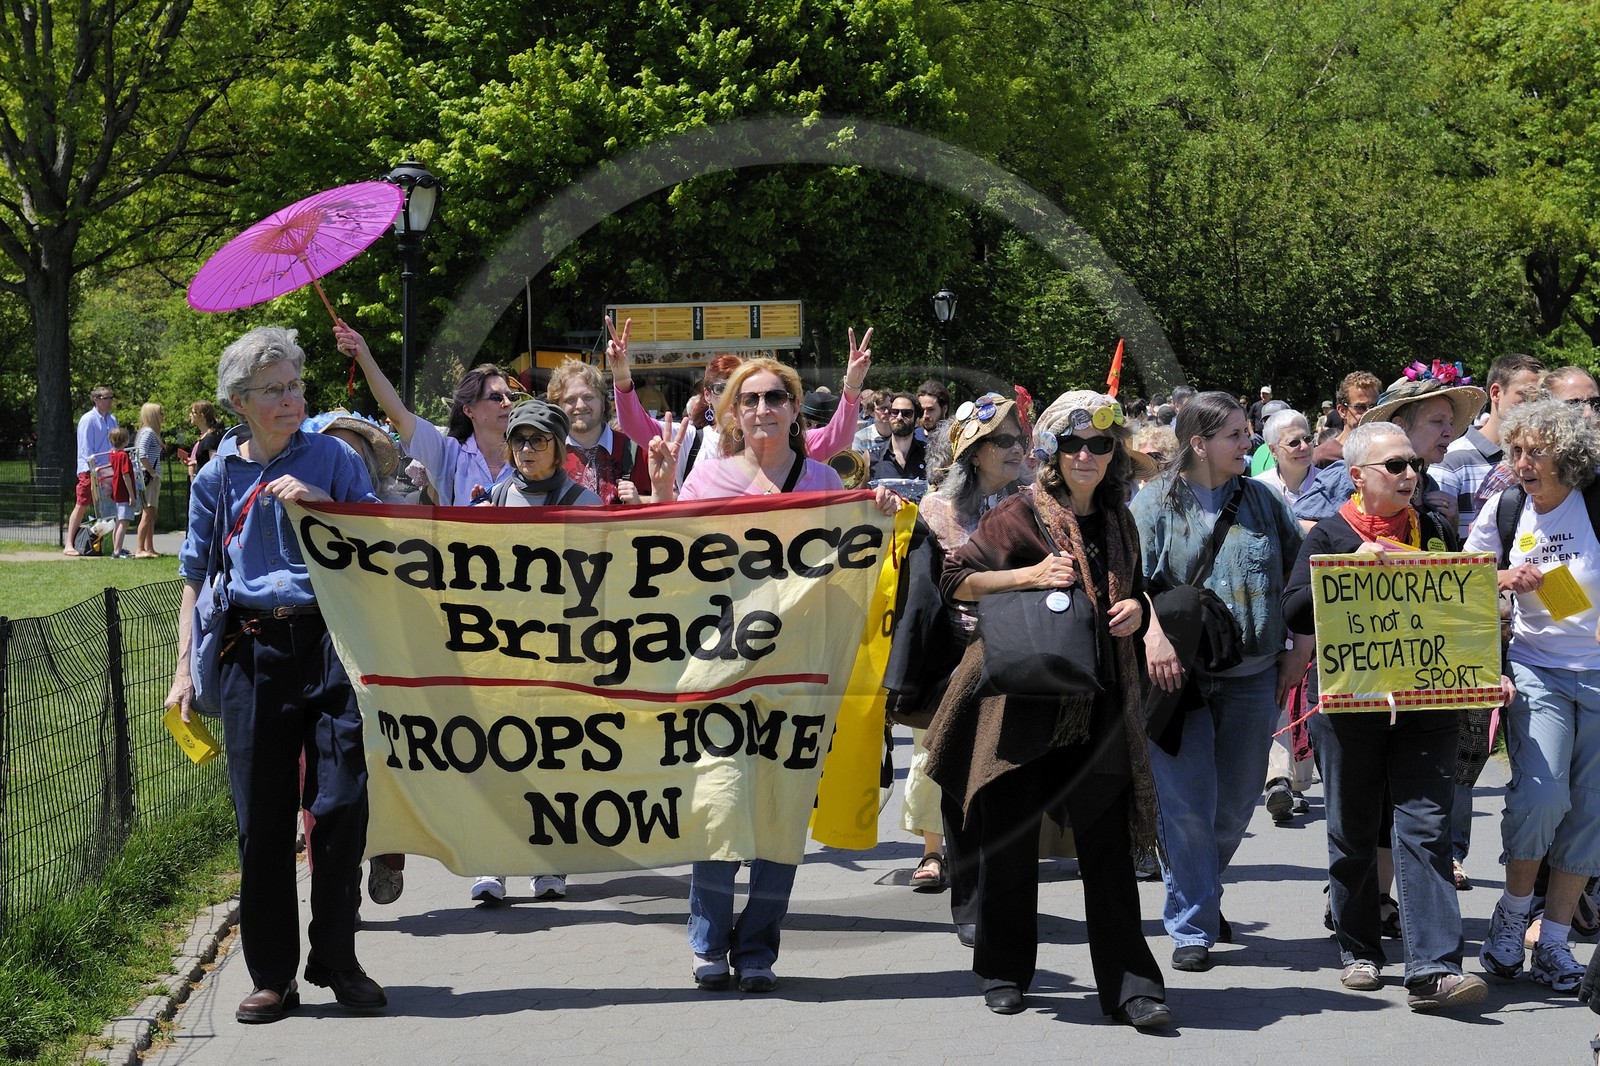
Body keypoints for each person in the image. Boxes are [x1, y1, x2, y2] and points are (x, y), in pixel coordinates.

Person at [646, 356, 898, 994]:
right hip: (721, 668)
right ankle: (707, 943)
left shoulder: (820, 479)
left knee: (781, 814)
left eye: (775, 399)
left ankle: (757, 947)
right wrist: (660, 493)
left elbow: (852, 556)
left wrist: (877, 507)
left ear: (793, 410)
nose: (763, 410)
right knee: (720, 807)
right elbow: (665, 555)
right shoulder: (707, 478)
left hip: (798, 674)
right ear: (733, 412)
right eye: (750, 400)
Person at [924, 389, 1168, 1025]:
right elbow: (955, 576)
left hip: (1103, 698)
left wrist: (1139, 611)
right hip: (1023, 700)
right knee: (1010, 838)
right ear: (1054, 453)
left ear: (1114, 456)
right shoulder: (1017, 514)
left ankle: (1132, 985)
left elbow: (1134, 585)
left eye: (1100, 446)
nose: (1086, 455)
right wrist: (1025, 577)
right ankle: (1004, 970)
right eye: (1073, 444)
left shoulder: (1120, 518)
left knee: (1107, 846)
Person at [166, 325, 385, 1024]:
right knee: (262, 821)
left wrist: (321, 505)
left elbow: (379, 546)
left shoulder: (333, 458)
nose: (291, 399)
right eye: (275, 390)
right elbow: (195, 578)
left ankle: (337, 958)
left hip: (329, 642)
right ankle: (272, 975)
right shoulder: (215, 478)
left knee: (342, 803)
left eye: (295, 385)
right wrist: (182, 670)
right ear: (239, 401)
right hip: (249, 652)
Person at [1282, 421, 1491, 1011]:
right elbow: (1295, 610)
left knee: (1426, 827)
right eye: (1394, 466)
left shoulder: (1438, 529)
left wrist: (1485, 667)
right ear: (1357, 477)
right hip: (1352, 706)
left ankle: (1433, 969)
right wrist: (1352, 566)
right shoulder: (1329, 533)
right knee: (1352, 827)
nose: (1409, 475)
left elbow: (1463, 607)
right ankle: (1359, 949)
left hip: (1428, 702)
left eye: (1412, 465)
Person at [1131, 391, 1306, 973]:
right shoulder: (1153, 504)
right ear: (1199, 443)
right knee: (1185, 807)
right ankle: (1192, 924)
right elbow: (1128, 584)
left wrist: (1296, 652)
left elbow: (1299, 581)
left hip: (1254, 677)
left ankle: (1200, 890)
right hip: (1176, 677)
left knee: (1232, 808)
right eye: (1234, 435)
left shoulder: (1262, 501)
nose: (1247, 444)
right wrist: (1154, 634)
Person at [1466, 399, 1600, 994]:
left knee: (1589, 815)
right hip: (1535, 668)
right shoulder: (1507, 506)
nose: (1520, 463)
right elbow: (1461, 578)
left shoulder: (1594, 503)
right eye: (1515, 450)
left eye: (1534, 453)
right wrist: (1501, 578)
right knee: (1541, 797)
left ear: (1566, 459)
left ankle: (1554, 944)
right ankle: (1511, 917)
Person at [468, 399, 602, 906]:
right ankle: (491, 864)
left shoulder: (584, 504)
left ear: (559, 448)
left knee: (554, 759)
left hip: (563, 652)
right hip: (501, 653)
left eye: (538, 440)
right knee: (496, 756)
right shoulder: (487, 507)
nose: (527, 449)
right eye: (519, 439)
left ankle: (551, 864)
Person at [895, 394, 1027, 899]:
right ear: (975, 452)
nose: (1017, 449)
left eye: (1020, 439)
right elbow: (925, 590)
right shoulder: (934, 507)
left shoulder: (1034, 503)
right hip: (949, 655)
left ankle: (992, 868)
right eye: (1005, 441)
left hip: (1017, 655)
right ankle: (933, 850)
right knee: (933, 757)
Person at [1429, 353, 1544, 890]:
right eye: (1525, 394)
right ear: (1496, 394)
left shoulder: (1552, 470)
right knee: (1463, 741)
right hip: (1471, 622)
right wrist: (1499, 578)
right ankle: (1449, 852)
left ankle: (1542, 868)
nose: (1534, 404)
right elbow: (1448, 551)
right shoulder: (1455, 459)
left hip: (1537, 633)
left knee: (1501, 748)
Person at [608, 318, 870, 486]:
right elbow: (634, 425)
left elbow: (838, 438)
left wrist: (852, 386)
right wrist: (621, 378)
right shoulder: (687, 439)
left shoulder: (776, 435)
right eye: (724, 387)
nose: (760, 406)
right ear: (707, 395)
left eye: (742, 388)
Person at [341, 323, 516, 505]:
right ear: (469, 410)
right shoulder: (448, 454)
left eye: (512, 396)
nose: (508, 403)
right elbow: (398, 416)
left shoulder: (531, 451)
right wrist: (363, 355)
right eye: (496, 397)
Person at [1253, 407, 1317, 822]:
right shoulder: (1255, 491)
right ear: (1274, 450)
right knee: (1281, 684)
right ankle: (1277, 778)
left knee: (1309, 690)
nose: (1304, 446)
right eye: (1293, 442)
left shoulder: (1336, 483)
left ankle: (1296, 781)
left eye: (1307, 437)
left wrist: (1302, 527)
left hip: (1321, 606)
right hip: (1276, 603)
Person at [546, 358, 649, 503]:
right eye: (570, 399)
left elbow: (669, 500)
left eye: (588, 397)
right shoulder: (548, 452)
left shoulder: (635, 449)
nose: (580, 405)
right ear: (558, 406)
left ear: (603, 401)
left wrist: (638, 501)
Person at [64, 385, 117, 556]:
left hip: (108, 469)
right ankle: (69, 544)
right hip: (90, 470)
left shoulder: (112, 420)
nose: (109, 401)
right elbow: (86, 451)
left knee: (109, 507)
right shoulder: (88, 420)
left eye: (110, 398)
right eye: (105, 398)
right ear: (95, 399)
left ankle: (109, 545)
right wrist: (94, 470)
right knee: (82, 504)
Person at [1312, 371, 1382, 469]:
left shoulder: (1385, 452)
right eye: (1360, 407)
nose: (1369, 413)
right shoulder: (1322, 457)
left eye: (1374, 407)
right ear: (1342, 411)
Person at [870, 393, 928, 482]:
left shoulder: (929, 454)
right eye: (894, 412)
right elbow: (861, 494)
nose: (899, 417)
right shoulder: (872, 456)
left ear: (916, 421)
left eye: (907, 413)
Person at [133, 402, 164, 558]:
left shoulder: (149, 432)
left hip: (152, 477)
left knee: (152, 514)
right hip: (149, 478)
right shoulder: (148, 432)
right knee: (148, 513)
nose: (163, 416)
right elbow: (141, 454)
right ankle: (140, 549)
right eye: (160, 413)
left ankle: (149, 548)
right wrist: (152, 473)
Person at [106, 426, 137, 558]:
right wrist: (131, 495)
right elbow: (126, 475)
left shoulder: (112, 454)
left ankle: (116, 548)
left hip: (117, 491)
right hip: (124, 492)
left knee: (119, 521)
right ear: (125, 441)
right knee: (124, 522)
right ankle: (117, 551)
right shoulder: (123, 456)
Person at [187, 400, 226, 479]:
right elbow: (207, 462)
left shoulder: (210, 438)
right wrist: (195, 462)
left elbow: (214, 465)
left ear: (202, 416)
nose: (190, 415)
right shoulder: (205, 437)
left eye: (193, 412)